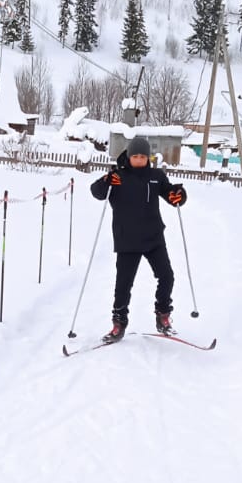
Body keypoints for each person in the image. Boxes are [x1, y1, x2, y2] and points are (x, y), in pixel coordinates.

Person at [90, 144, 187, 341]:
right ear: (129, 156)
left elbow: (170, 194)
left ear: (148, 157)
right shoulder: (118, 176)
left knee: (167, 276)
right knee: (123, 285)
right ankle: (119, 323)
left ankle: (163, 316)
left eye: (143, 156)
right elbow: (97, 192)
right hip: (127, 239)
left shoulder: (156, 175)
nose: (140, 159)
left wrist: (178, 196)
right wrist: (106, 181)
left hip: (154, 237)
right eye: (136, 156)